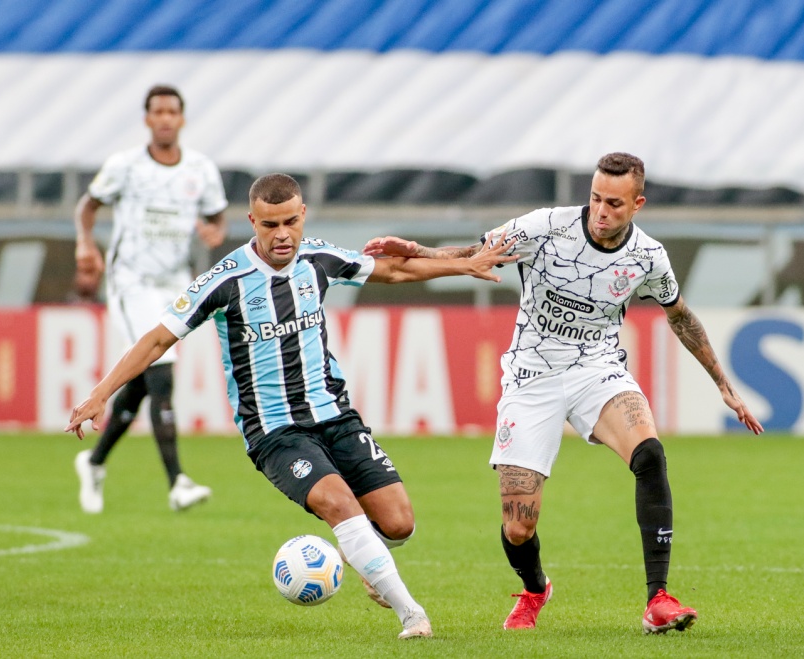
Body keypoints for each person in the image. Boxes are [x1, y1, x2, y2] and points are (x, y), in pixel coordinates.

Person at [65, 173, 516, 640]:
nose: (282, 234)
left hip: (335, 416)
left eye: (290, 222)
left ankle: (361, 554)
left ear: (303, 216)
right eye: (269, 224)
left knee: (399, 524)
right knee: (339, 504)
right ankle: (412, 615)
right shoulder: (225, 280)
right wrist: (101, 393)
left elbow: (394, 270)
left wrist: (462, 263)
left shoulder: (319, 258)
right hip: (275, 432)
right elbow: (158, 337)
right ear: (252, 222)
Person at [362, 152, 765, 634]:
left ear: (638, 204)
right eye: (595, 198)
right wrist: (416, 250)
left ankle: (658, 599)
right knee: (518, 526)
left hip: (598, 370)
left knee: (650, 454)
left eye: (614, 203)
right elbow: (478, 252)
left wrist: (723, 383)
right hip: (531, 378)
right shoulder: (545, 227)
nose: (601, 211)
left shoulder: (648, 257)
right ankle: (535, 588)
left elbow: (679, 315)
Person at [73, 85, 229, 514]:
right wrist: (85, 245)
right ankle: (178, 482)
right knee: (161, 372)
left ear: (181, 119)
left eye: (172, 112)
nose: (164, 118)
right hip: (131, 282)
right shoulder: (126, 166)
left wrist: (215, 230)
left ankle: (95, 460)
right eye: (157, 111)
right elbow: (88, 205)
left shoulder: (200, 169)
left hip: (174, 283)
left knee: (142, 380)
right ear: (147, 119)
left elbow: (217, 214)